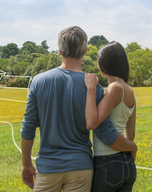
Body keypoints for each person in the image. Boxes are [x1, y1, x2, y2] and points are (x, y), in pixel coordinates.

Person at [20, 26, 137, 192]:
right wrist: (132, 146)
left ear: (60, 51)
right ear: (85, 51)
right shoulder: (93, 86)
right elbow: (104, 131)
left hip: (48, 167)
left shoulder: (38, 81)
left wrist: (26, 164)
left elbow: (28, 126)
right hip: (81, 168)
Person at [85, 41, 137, 192]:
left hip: (107, 163)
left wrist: (90, 88)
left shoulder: (114, 88)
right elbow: (131, 134)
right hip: (127, 164)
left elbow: (93, 122)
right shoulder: (130, 91)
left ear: (104, 64)